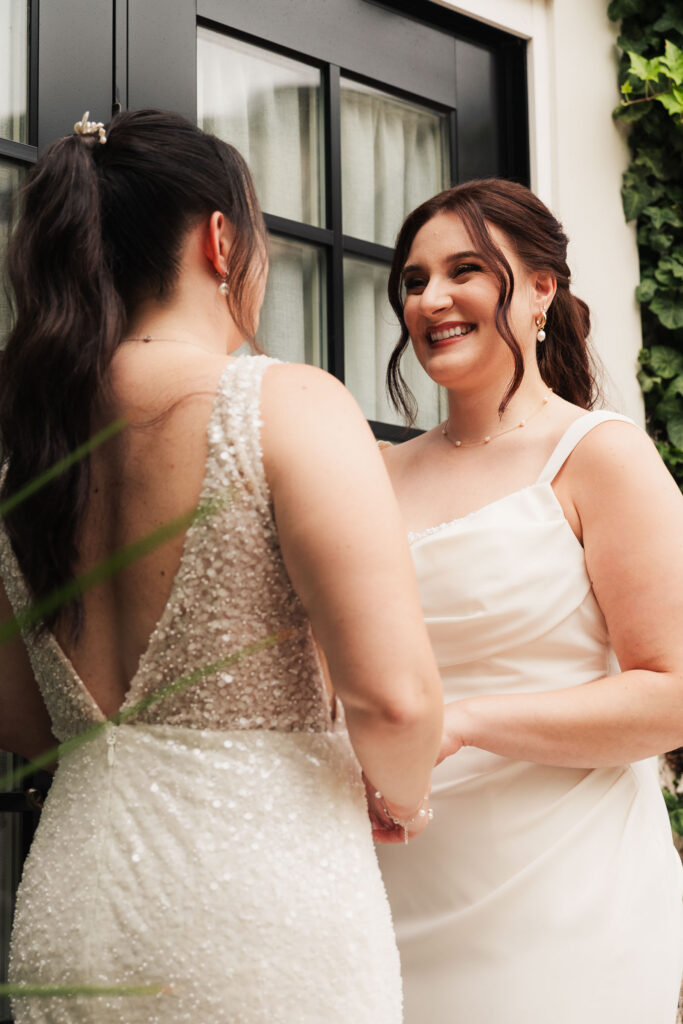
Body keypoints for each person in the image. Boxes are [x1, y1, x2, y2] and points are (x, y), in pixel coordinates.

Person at [0, 108, 443, 1023]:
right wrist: (403, 797)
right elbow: (394, 700)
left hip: (70, 915)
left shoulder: (24, 455)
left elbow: (23, 721)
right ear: (219, 239)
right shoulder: (286, 404)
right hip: (259, 912)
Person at [375, 178, 683, 1024]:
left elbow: (672, 694)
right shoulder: (373, 472)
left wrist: (465, 721)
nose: (431, 298)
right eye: (412, 280)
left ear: (541, 287)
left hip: (562, 898)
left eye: (464, 270)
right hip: (387, 889)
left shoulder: (599, 457)